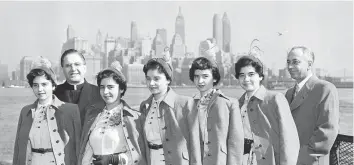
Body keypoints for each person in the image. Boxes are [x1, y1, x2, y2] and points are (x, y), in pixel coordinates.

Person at [13, 57, 81, 165]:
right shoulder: (25, 111)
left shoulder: (70, 110)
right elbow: (18, 148)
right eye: (35, 85)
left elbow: (79, 148)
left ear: (53, 85)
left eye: (44, 84)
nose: (40, 89)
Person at [235, 55, 299, 165]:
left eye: (251, 74)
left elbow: (290, 140)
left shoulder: (275, 99)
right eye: (242, 75)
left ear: (260, 76)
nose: (246, 79)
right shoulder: (238, 104)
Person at [78, 61, 146, 165]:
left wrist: (113, 159)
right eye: (102, 87)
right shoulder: (93, 116)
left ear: (121, 89)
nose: (105, 92)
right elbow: (87, 152)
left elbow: (138, 155)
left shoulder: (134, 118)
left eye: (110, 87)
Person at [285, 46, 339, 165]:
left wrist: (300, 159)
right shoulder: (289, 93)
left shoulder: (325, 89)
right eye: (288, 62)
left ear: (309, 64)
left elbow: (326, 133)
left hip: (311, 161)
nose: (289, 66)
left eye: (295, 62)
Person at [140, 58, 199, 165]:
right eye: (148, 79)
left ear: (168, 80)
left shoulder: (185, 104)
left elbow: (195, 143)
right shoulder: (145, 106)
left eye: (156, 79)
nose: (151, 83)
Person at [189, 57, 244, 165]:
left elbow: (235, 144)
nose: (200, 81)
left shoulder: (229, 104)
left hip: (219, 161)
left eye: (205, 76)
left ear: (214, 78)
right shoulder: (188, 105)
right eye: (196, 77)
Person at [54, 49, 101, 125]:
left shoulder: (99, 93)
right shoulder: (53, 94)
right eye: (68, 65)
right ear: (62, 70)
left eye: (77, 64)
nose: (73, 69)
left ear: (84, 68)